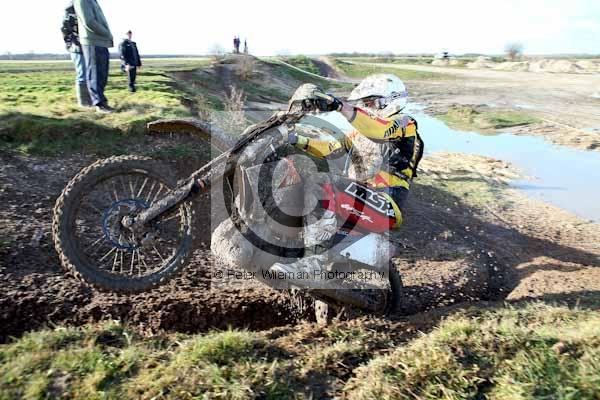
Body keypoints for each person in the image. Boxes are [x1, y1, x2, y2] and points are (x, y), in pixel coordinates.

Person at [271, 74, 424, 277]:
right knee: (301, 178)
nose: (367, 107)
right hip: (359, 198)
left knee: (321, 180)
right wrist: (294, 138)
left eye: (370, 102)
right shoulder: (359, 135)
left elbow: (380, 130)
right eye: (364, 103)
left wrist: (339, 106)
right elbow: (330, 148)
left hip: (386, 202)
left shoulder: (404, 123)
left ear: (389, 101)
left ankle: (313, 264)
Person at [73, 0, 114, 113]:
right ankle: (99, 104)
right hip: (92, 40)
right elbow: (89, 22)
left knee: (102, 74)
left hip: (101, 41)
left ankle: (102, 102)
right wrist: (106, 33)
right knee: (95, 74)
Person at [62, 1, 92, 108]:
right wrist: (72, 44)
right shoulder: (71, 9)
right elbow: (65, 29)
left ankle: (90, 101)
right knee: (82, 74)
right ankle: (84, 102)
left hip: (86, 46)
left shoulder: (85, 6)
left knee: (88, 74)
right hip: (77, 47)